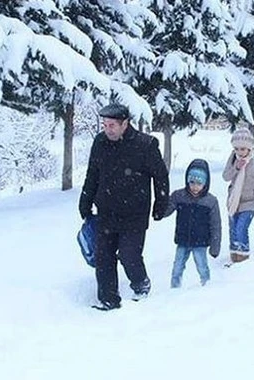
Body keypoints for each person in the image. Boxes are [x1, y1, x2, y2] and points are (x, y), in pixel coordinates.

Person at [79, 104, 169, 311]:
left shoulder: (145, 145)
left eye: (112, 125)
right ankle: (109, 300)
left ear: (125, 124)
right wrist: (85, 200)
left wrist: (160, 203)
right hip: (106, 211)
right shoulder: (100, 142)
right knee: (104, 257)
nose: (107, 129)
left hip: (134, 214)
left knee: (129, 254)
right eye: (105, 125)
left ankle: (140, 283)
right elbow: (92, 174)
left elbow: (160, 176)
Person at [163, 159, 221, 288]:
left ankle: (207, 285)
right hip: (183, 240)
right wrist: (162, 201)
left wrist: (215, 246)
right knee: (177, 267)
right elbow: (166, 211)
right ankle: (174, 288)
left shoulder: (210, 201)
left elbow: (215, 225)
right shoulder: (179, 196)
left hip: (200, 242)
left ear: (205, 184)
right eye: (192, 182)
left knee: (202, 266)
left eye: (199, 183)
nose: (195, 186)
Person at [222, 128, 254, 264]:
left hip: (250, 201)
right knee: (233, 229)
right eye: (237, 148)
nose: (240, 152)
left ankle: (243, 257)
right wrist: (236, 168)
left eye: (243, 149)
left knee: (241, 228)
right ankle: (234, 255)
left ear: (250, 147)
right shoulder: (233, 158)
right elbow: (225, 176)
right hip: (233, 200)